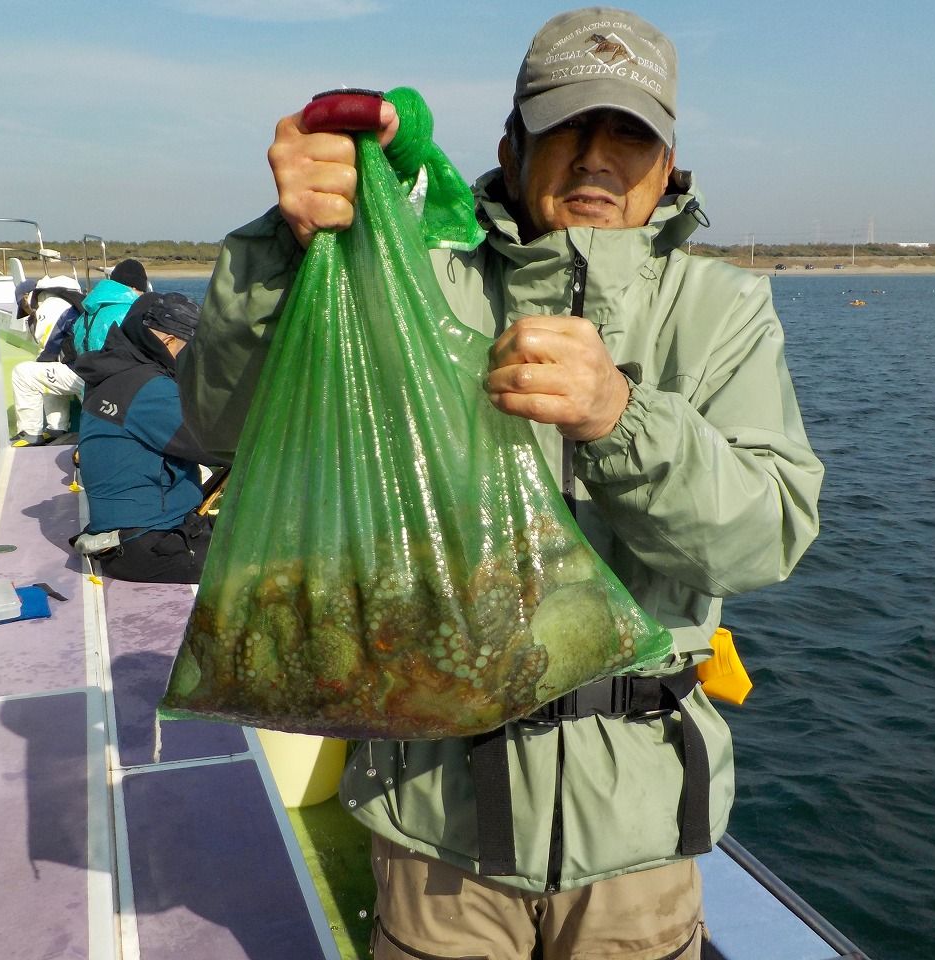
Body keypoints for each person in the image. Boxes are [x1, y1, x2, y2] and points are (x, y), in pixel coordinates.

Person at [179, 7, 824, 958]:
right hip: (433, 817)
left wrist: (620, 417)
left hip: (638, 836)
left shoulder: (723, 308)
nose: (595, 158)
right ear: (511, 149)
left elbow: (764, 538)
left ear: (668, 164)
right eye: (566, 127)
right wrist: (296, 243)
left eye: (627, 134)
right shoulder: (421, 284)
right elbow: (222, 425)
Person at [69, 292, 215, 583]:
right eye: (190, 349)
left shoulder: (116, 372)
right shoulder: (149, 389)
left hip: (127, 534)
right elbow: (216, 444)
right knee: (269, 562)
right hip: (148, 544)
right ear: (169, 341)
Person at [9, 273, 85, 446]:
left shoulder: (50, 307)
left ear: (27, 297)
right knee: (44, 371)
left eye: (23, 305)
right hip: (90, 368)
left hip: (82, 373)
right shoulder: (67, 300)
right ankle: (56, 429)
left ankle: (29, 433)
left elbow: (49, 351)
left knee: (23, 373)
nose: (27, 311)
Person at [68, 258, 149, 358]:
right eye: (142, 291)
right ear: (134, 288)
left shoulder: (88, 309)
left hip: (84, 364)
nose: (143, 295)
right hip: (115, 366)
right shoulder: (131, 312)